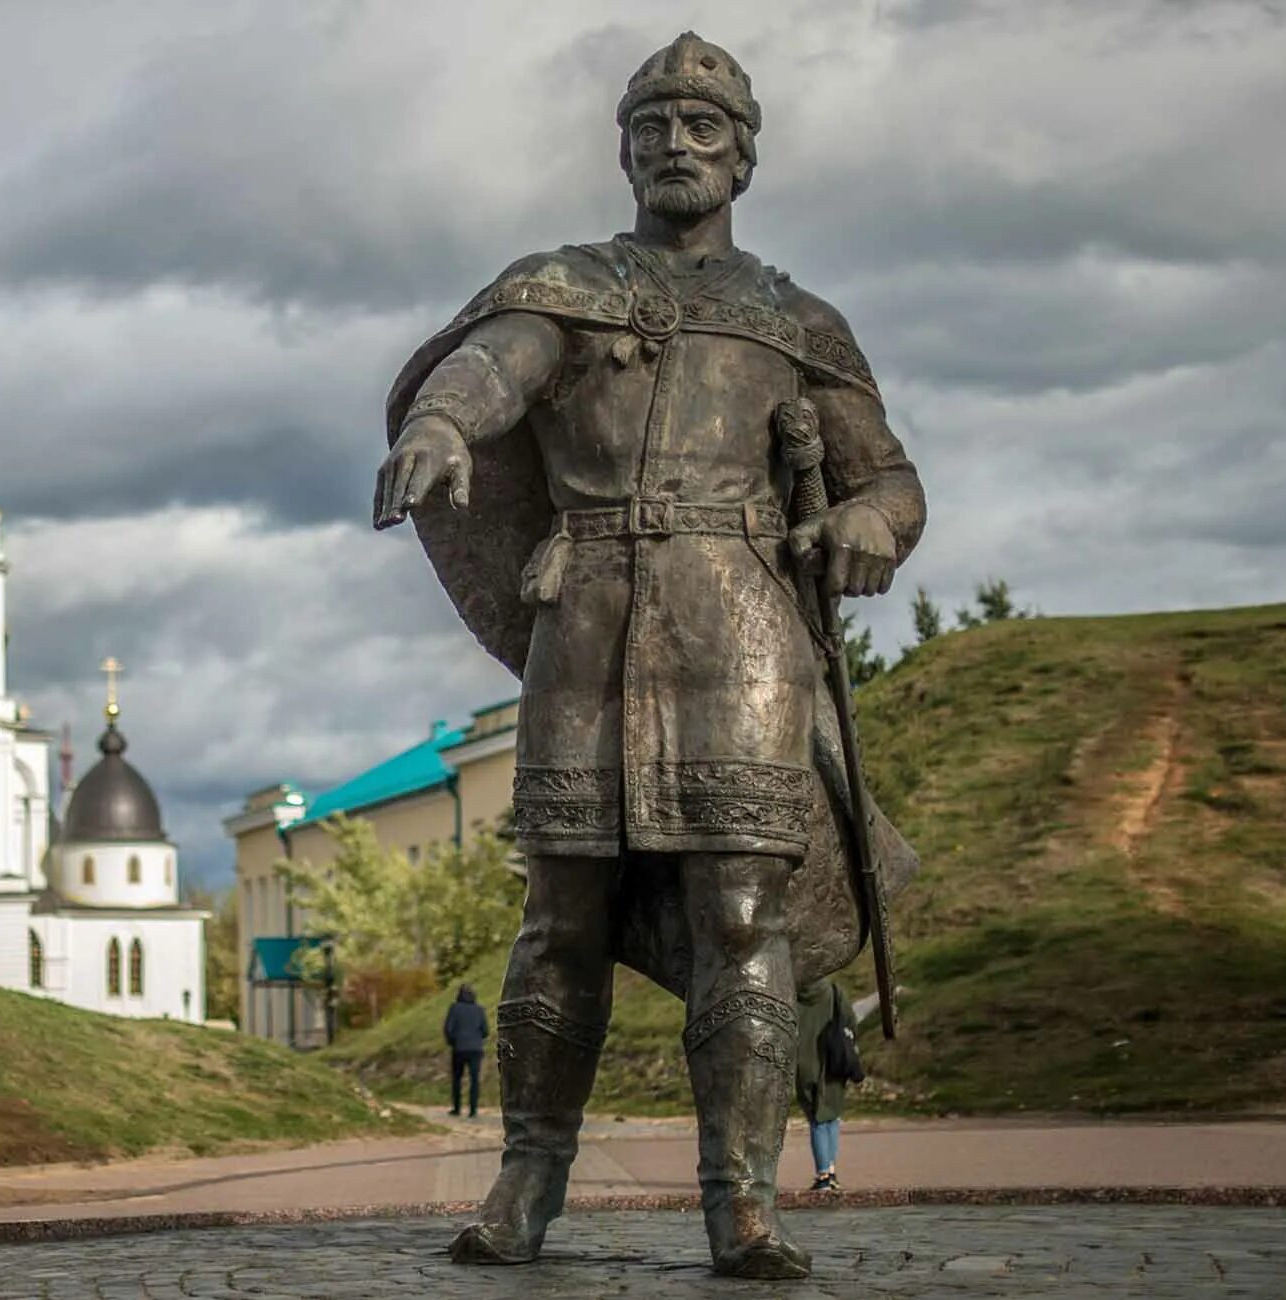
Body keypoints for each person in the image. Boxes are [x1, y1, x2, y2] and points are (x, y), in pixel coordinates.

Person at [374, 30, 925, 1281]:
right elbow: (486, 365)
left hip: (737, 631)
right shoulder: (561, 286)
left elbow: (889, 482)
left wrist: (858, 522)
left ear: (743, 156)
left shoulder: (793, 320)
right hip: (589, 618)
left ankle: (741, 1203)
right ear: (622, 151)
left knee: (740, 911)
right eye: (651, 129)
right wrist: (444, 424)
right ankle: (524, 1181)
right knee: (557, 912)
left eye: (702, 128)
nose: (675, 147)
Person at [794, 979, 861, 1191]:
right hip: (834, 1061)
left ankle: (824, 1174)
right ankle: (829, 1172)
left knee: (817, 1118)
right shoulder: (834, 990)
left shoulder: (791, 993)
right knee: (831, 1117)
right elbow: (850, 1021)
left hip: (803, 1063)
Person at [443, 983, 489, 1116]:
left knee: (457, 1078)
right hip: (476, 1048)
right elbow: (485, 1031)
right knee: (474, 1079)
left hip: (459, 1048)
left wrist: (453, 1042)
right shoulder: (479, 1009)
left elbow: (448, 1029)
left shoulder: (454, 1008)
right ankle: (473, 1110)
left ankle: (457, 1108)